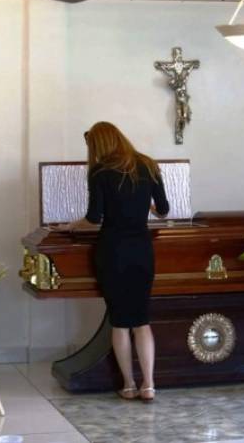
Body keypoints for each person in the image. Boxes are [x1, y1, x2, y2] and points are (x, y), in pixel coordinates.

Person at [62, 121, 169, 402]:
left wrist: (72, 225)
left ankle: (129, 385)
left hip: (112, 251)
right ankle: (149, 385)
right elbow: (164, 209)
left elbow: (94, 218)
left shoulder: (99, 172)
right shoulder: (147, 164)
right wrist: (146, 204)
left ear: (100, 145)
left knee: (120, 321)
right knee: (142, 320)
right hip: (142, 251)